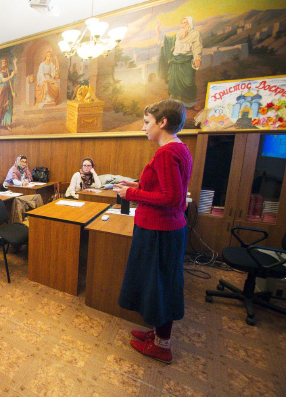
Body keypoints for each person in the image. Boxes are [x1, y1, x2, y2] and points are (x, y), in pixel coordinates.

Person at [113, 99, 193, 364]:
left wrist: (131, 193)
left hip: (160, 229)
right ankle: (158, 334)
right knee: (157, 283)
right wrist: (135, 183)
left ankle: (162, 345)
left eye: (147, 122)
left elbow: (171, 198)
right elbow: (164, 188)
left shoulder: (166, 153)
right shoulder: (179, 148)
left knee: (158, 285)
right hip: (165, 227)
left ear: (163, 122)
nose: (143, 128)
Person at [157, 17, 203, 110]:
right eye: (182, 23)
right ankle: (174, 102)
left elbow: (197, 46)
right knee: (174, 82)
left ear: (190, 24)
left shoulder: (195, 34)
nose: (183, 25)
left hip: (187, 61)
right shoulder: (178, 35)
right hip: (176, 61)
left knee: (189, 82)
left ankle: (191, 103)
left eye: (185, 23)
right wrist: (158, 30)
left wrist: (197, 57)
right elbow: (167, 41)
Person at [0, 57, 18, 131]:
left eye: (4, 62)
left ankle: (7, 124)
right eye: (2, 63)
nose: (3, 64)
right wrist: (11, 76)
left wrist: (15, 63)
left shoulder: (9, 71)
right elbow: (3, 80)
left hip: (8, 92)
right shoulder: (0, 74)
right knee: (0, 108)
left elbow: (16, 72)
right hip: (2, 93)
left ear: (6, 64)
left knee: (8, 108)